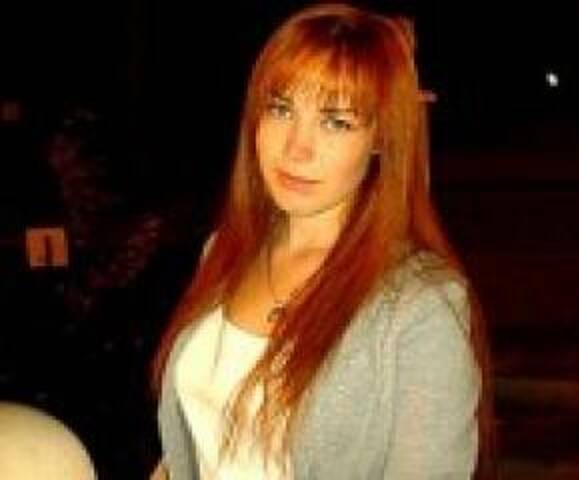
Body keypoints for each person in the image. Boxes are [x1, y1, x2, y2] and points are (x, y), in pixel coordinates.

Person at [151, 2, 494, 479]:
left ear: (381, 139)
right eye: (281, 108)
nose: (297, 148)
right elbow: (195, 446)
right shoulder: (225, 252)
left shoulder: (419, 306)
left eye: (336, 121)